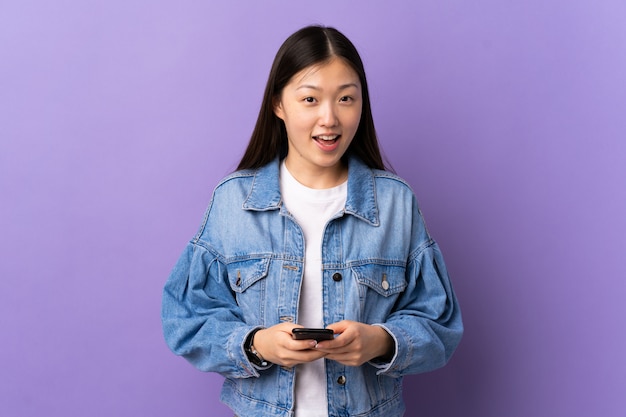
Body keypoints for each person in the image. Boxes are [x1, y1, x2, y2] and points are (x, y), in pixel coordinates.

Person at [161, 25, 463, 417]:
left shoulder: (395, 202)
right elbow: (187, 318)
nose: (330, 118)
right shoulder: (233, 202)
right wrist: (256, 345)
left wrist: (380, 341)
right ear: (278, 105)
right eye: (310, 98)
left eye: (346, 98)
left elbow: (439, 323)